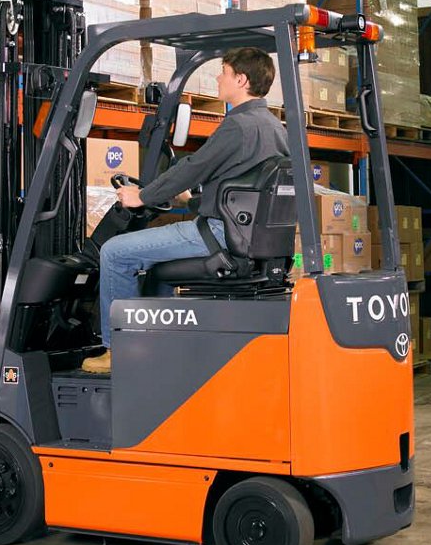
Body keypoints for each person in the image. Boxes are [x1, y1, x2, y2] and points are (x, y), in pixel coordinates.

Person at [83, 47, 289, 374]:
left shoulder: (238, 125)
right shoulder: (275, 127)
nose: (218, 79)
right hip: (244, 235)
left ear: (241, 79)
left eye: (223, 72)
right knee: (154, 268)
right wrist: (188, 201)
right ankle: (155, 344)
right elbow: (243, 189)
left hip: (218, 234)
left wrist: (142, 196)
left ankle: (116, 351)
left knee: (114, 253)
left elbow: (194, 167)